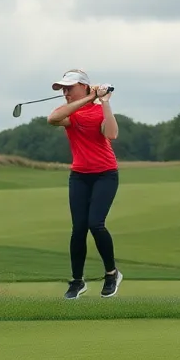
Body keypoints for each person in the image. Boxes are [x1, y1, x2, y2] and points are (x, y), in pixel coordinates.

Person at [46, 69, 123, 299]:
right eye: (63, 89)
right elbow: (52, 119)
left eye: (69, 88)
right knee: (78, 229)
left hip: (105, 174)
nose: (65, 93)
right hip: (79, 175)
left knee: (95, 224)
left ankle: (111, 274)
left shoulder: (99, 111)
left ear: (83, 85)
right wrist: (89, 97)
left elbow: (111, 134)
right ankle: (77, 281)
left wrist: (104, 101)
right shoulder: (72, 114)